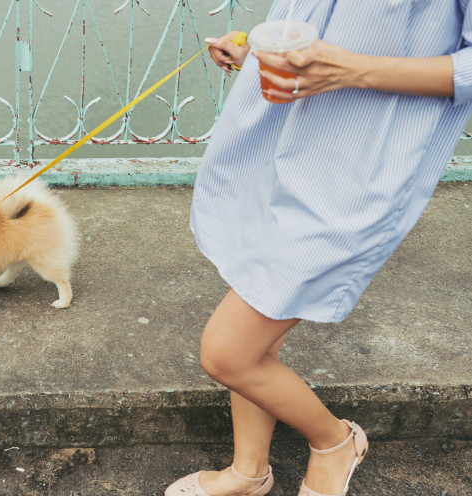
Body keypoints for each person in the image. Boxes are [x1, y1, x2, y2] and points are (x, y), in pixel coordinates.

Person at [166, 1, 472, 495]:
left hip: (353, 168)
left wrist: (350, 68)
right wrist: (262, 56)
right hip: (276, 144)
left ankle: (335, 441)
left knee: (229, 353)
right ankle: (249, 472)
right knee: (258, 322)